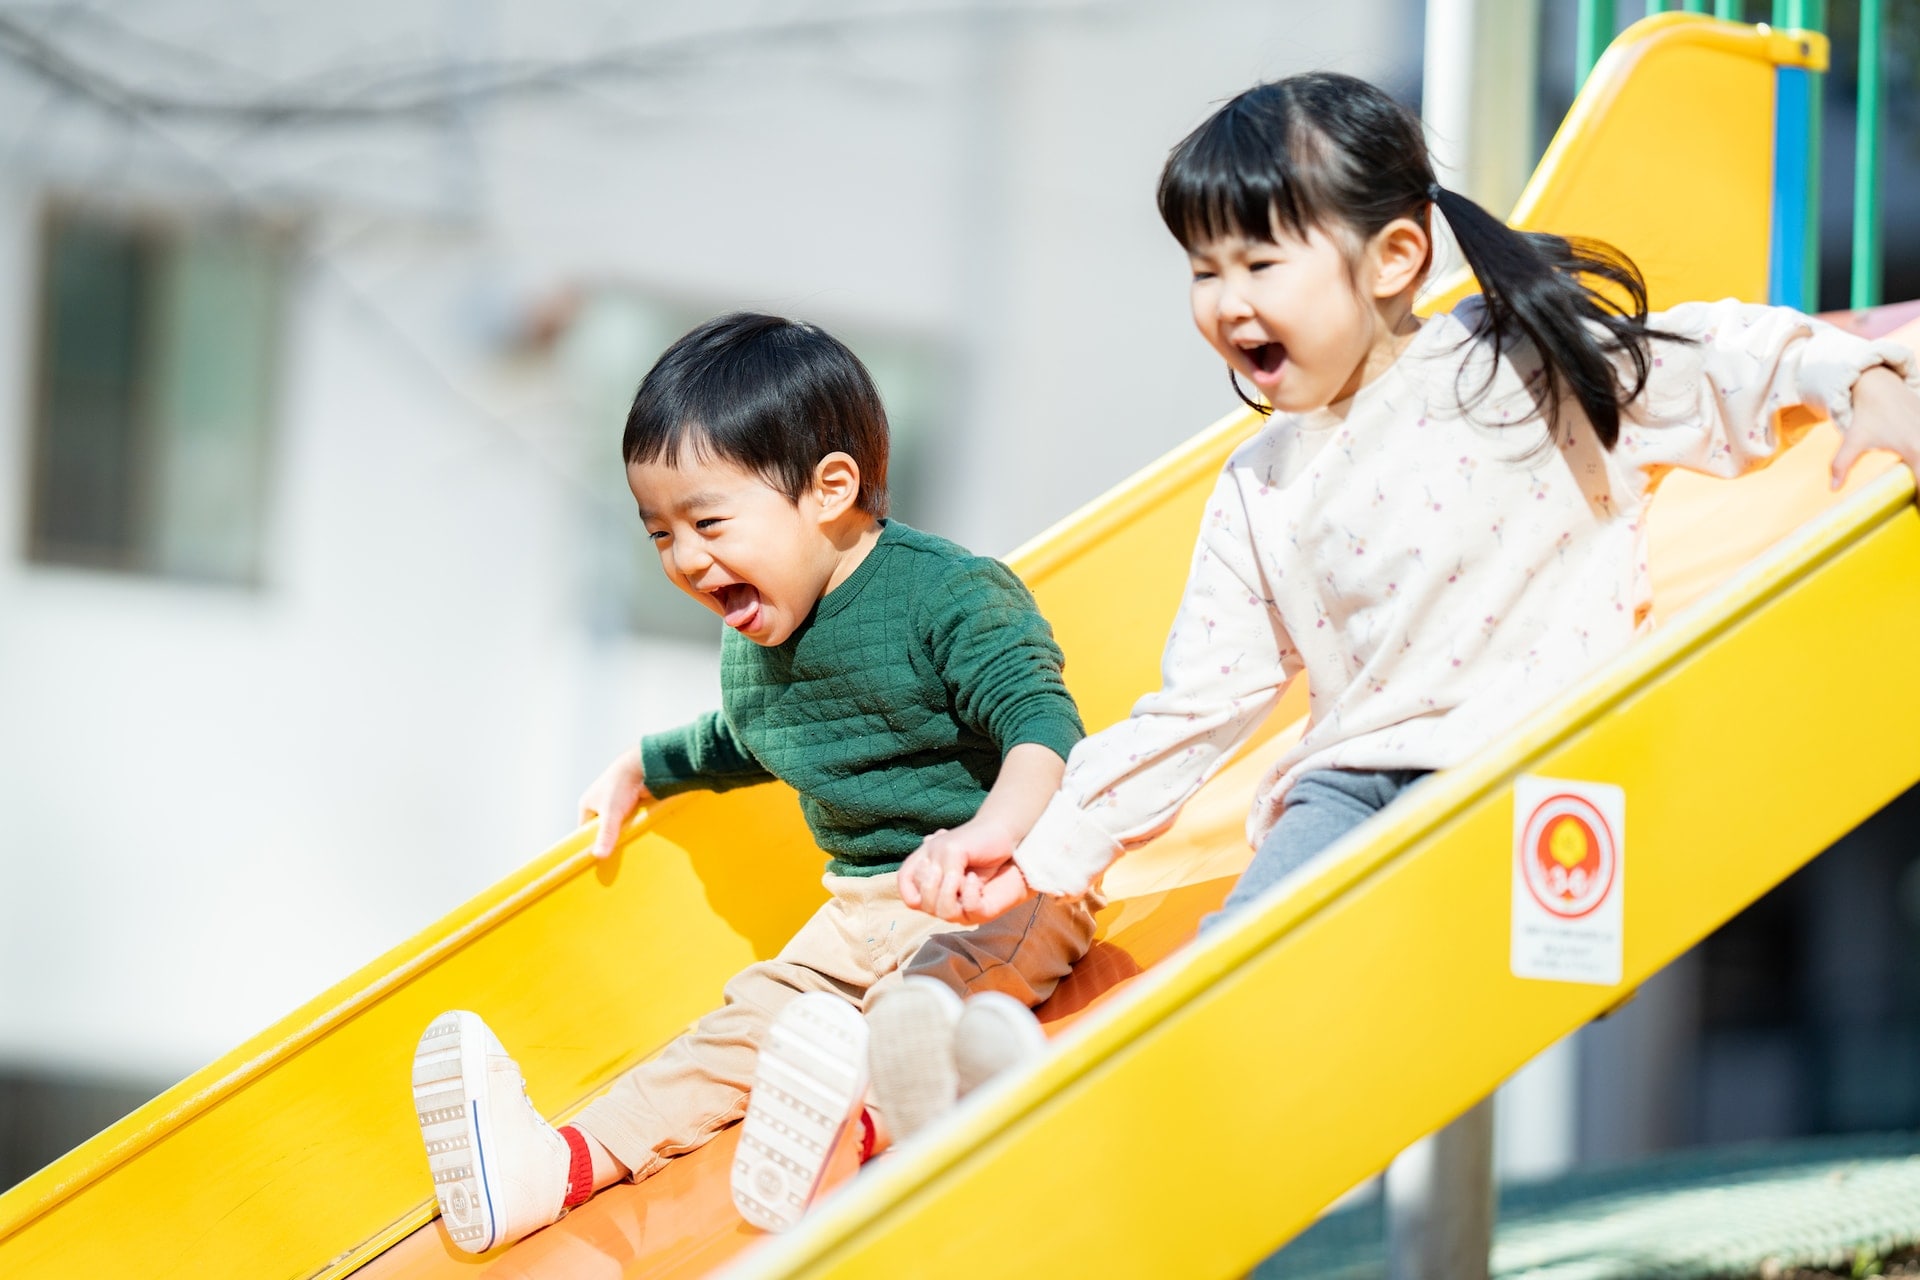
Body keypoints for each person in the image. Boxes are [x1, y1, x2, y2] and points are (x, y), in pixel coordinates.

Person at [897, 70, 1920, 945]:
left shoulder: (1520, 363)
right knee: (1238, 965)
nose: (1224, 298)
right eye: (1203, 270)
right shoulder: (1260, 483)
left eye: (1259, 261)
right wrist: (1044, 849)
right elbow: (1201, 702)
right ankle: (1011, 1063)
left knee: (1470, 939)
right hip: (1352, 783)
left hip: (1535, 757)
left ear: (1392, 257)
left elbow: (1717, 353)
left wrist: (1863, 380)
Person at [411, 313, 1097, 1253]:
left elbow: (1043, 726)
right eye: (659, 532)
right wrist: (643, 768)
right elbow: (743, 739)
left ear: (829, 489)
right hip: (858, 913)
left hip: (1006, 888)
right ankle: (556, 1164)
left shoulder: (948, 596)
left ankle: (861, 1128)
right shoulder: (754, 644)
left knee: (931, 991)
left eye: (708, 521)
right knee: (743, 1026)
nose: (685, 559)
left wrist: (997, 836)